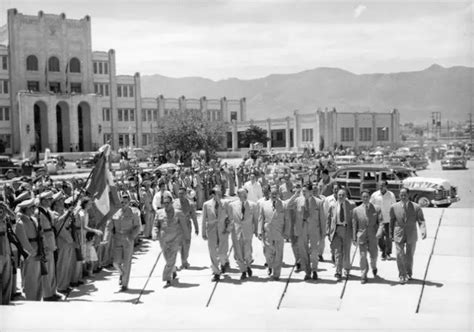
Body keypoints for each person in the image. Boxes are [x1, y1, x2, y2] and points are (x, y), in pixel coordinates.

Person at [258, 186, 298, 280]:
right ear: (269, 194)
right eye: (272, 193)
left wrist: (286, 232)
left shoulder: (283, 205)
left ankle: (276, 274)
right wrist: (259, 231)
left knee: (278, 254)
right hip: (267, 232)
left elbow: (287, 220)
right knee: (267, 252)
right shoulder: (264, 204)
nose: (274, 195)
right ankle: (270, 265)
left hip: (279, 233)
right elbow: (261, 218)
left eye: (276, 193)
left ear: (278, 195)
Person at [103, 192, 141, 291]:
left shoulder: (134, 213)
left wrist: (132, 236)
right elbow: (109, 226)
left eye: (125, 202)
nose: (123, 203)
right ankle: (122, 274)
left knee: (127, 262)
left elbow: (138, 226)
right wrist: (106, 238)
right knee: (116, 262)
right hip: (117, 238)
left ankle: (124, 284)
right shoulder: (115, 213)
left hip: (128, 238)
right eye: (122, 202)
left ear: (129, 202)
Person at [389, 188, 427, 284]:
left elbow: (421, 220)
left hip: (411, 234)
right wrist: (390, 233)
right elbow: (392, 221)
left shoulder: (416, 207)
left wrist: (423, 231)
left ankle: (408, 273)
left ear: (408, 195)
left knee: (409, 255)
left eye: (405, 195)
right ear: (399, 196)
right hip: (399, 233)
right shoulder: (394, 207)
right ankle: (402, 275)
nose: (403, 197)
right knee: (399, 254)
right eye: (401, 195)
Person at [153, 194, 187, 287]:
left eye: (168, 203)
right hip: (163, 240)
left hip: (175, 239)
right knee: (168, 258)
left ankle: (167, 278)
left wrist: (185, 237)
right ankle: (173, 270)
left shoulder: (178, 213)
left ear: (171, 203)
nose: (166, 205)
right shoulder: (159, 213)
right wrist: (155, 233)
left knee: (171, 259)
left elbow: (183, 226)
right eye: (164, 203)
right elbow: (156, 225)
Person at [352, 190, 384, 284]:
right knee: (362, 256)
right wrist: (354, 238)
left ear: (370, 198)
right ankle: (363, 274)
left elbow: (381, 222)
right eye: (363, 197)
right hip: (361, 236)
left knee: (373, 255)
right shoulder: (356, 210)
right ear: (361, 198)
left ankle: (373, 266)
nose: (365, 198)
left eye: (367, 197)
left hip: (373, 236)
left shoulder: (376, 209)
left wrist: (379, 232)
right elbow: (354, 225)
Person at [296, 183, 326, 281]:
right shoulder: (298, 201)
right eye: (302, 191)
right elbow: (289, 208)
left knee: (314, 251)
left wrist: (323, 233)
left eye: (305, 191)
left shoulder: (318, 202)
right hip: (302, 228)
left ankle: (314, 270)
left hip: (314, 229)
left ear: (310, 192)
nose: (303, 193)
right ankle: (307, 271)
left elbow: (322, 219)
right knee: (303, 251)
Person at [36, 191, 62, 301]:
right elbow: (38, 231)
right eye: (46, 200)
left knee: (52, 268)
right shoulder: (38, 213)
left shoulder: (49, 211)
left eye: (50, 200)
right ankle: (47, 294)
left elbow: (56, 222)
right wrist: (43, 245)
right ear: (41, 201)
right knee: (46, 270)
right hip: (46, 242)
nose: (49, 202)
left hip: (51, 241)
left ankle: (52, 291)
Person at [14, 198, 42, 300]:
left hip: (37, 250)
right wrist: (31, 251)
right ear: (25, 209)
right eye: (31, 208)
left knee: (37, 277)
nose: (33, 209)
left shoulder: (33, 219)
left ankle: (37, 297)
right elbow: (23, 241)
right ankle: (31, 298)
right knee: (30, 277)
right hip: (29, 253)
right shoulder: (20, 223)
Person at [202, 188, 231, 281]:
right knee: (213, 253)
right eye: (217, 193)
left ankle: (223, 263)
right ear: (213, 195)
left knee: (222, 252)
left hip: (222, 231)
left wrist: (228, 229)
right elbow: (203, 220)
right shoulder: (206, 205)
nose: (219, 195)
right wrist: (203, 232)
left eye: (220, 193)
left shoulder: (225, 204)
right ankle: (216, 272)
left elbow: (230, 217)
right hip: (211, 232)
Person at [228, 188, 258, 280]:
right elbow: (229, 219)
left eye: (245, 194)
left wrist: (256, 230)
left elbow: (255, 220)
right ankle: (243, 271)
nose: (243, 196)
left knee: (247, 251)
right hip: (236, 232)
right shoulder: (232, 205)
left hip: (248, 231)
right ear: (238, 195)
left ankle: (248, 265)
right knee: (238, 253)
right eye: (241, 194)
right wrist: (228, 229)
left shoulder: (253, 205)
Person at [326, 188, 355, 281]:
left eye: (343, 195)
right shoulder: (332, 206)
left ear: (346, 196)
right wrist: (328, 231)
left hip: (347, 229)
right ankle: (338, 271)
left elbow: (354, 220)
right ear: (337, 196)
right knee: (338, 252)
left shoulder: (351, 205)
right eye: (339, 195)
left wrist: (354, 233)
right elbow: (328, 220)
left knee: (346, 251)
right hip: (336, 230)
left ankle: (346, 270)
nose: (341, 196)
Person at [370, 180, 397, 260]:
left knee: (389, 237)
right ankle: (383, 250)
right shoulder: (375, 195)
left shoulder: (391, 195)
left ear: (386, 186)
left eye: (382, 185)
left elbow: (394, 206)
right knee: (379, 237)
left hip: (388, 219)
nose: (381, 187)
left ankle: (388, 253)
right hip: (378, 220)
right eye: (380, 185)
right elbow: (371, 206)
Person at [0, 201, 13, 304]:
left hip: (6, 248)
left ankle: (5, 301)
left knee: (7, 276)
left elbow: (13, 218)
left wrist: (7, 209)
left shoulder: (4, 215)